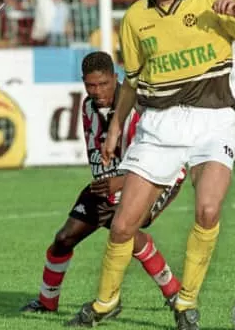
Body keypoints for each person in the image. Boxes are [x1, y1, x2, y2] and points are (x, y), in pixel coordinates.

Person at [67, 0, 235, 329]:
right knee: (123, 225)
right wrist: (114, 131)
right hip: (159, 125)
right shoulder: (135, 19)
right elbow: (131, 83)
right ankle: (106, 302)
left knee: (208, 210)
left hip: (213, 120)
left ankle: (186, 302)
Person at [20, 51, 185, 316]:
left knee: (125, 228)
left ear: (115, 77)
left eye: (103, 84)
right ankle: (47, 303)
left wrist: (121, 183)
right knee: (64, 238)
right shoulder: (88, 107)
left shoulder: (140, 108)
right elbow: (98, 155)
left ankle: (171, 294)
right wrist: (109, 184)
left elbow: (163, 158)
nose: (97, 91)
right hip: (113, 181)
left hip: (162, 177)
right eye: (91, 85)